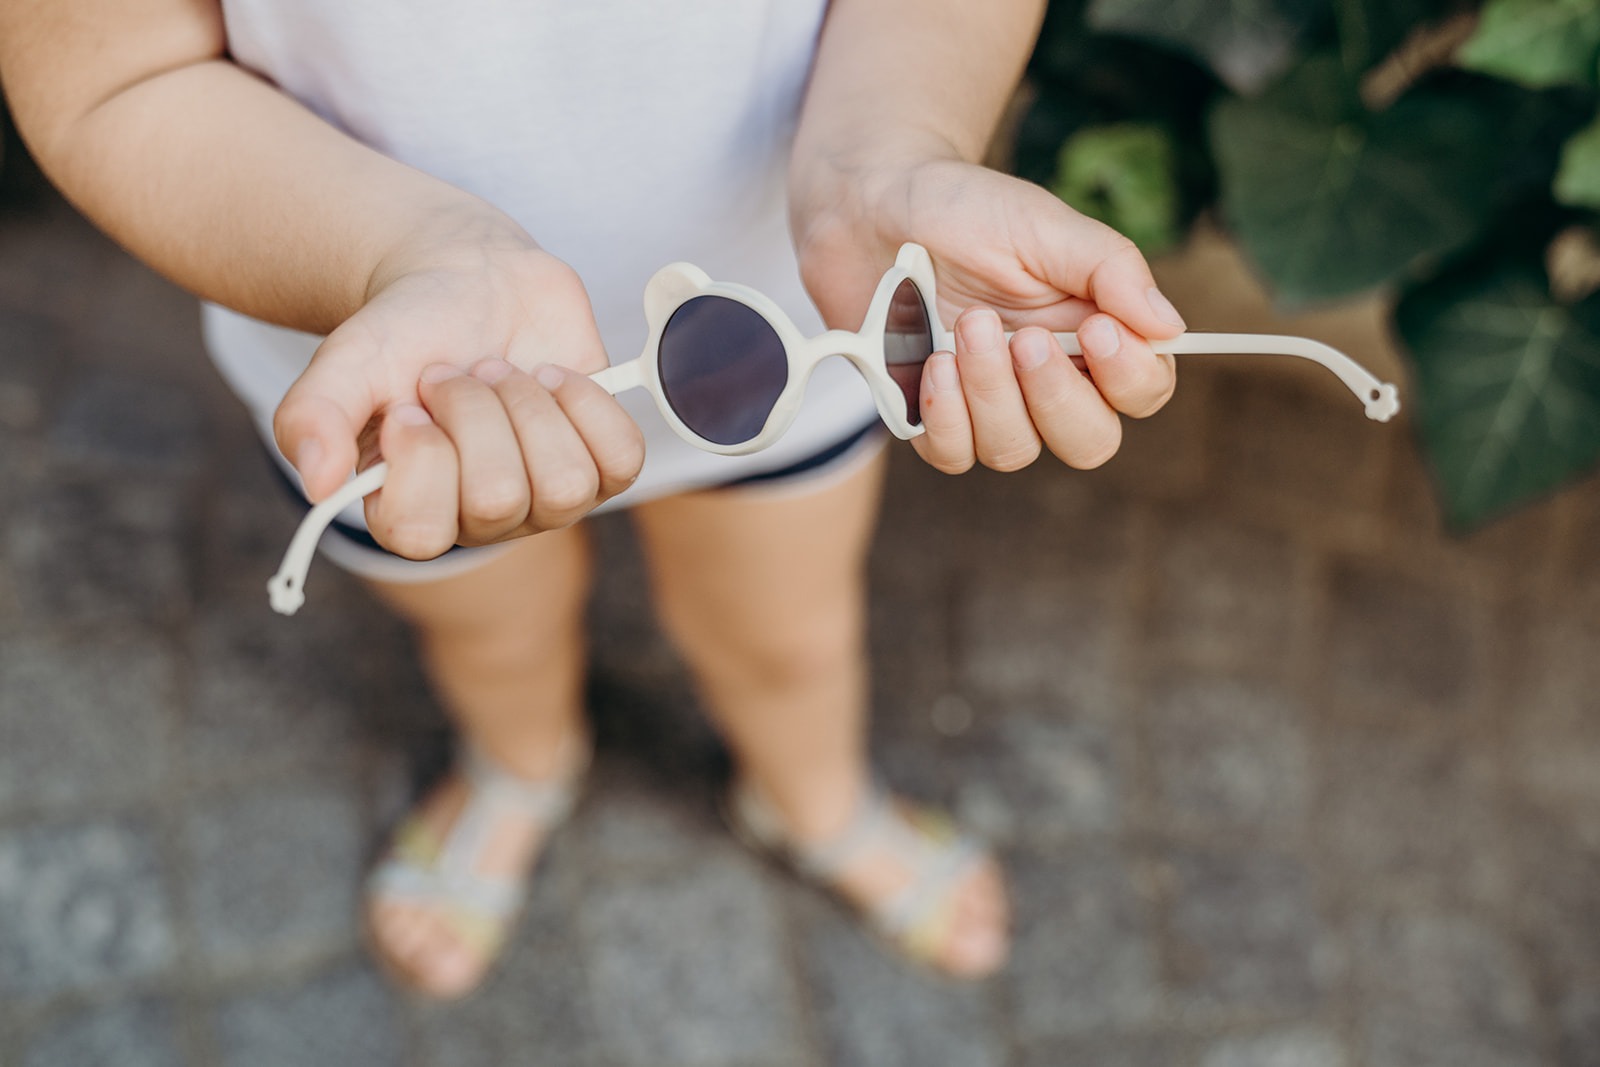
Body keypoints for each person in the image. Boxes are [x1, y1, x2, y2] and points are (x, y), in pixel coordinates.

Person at [0, 0, 1183, 997]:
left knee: (789, 635)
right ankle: (522, 760)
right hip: (406, 379)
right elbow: (111, 74)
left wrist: (889, 152)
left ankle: (813, 796)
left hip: (794, 328)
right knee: (488, 632)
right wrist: (404, 252)